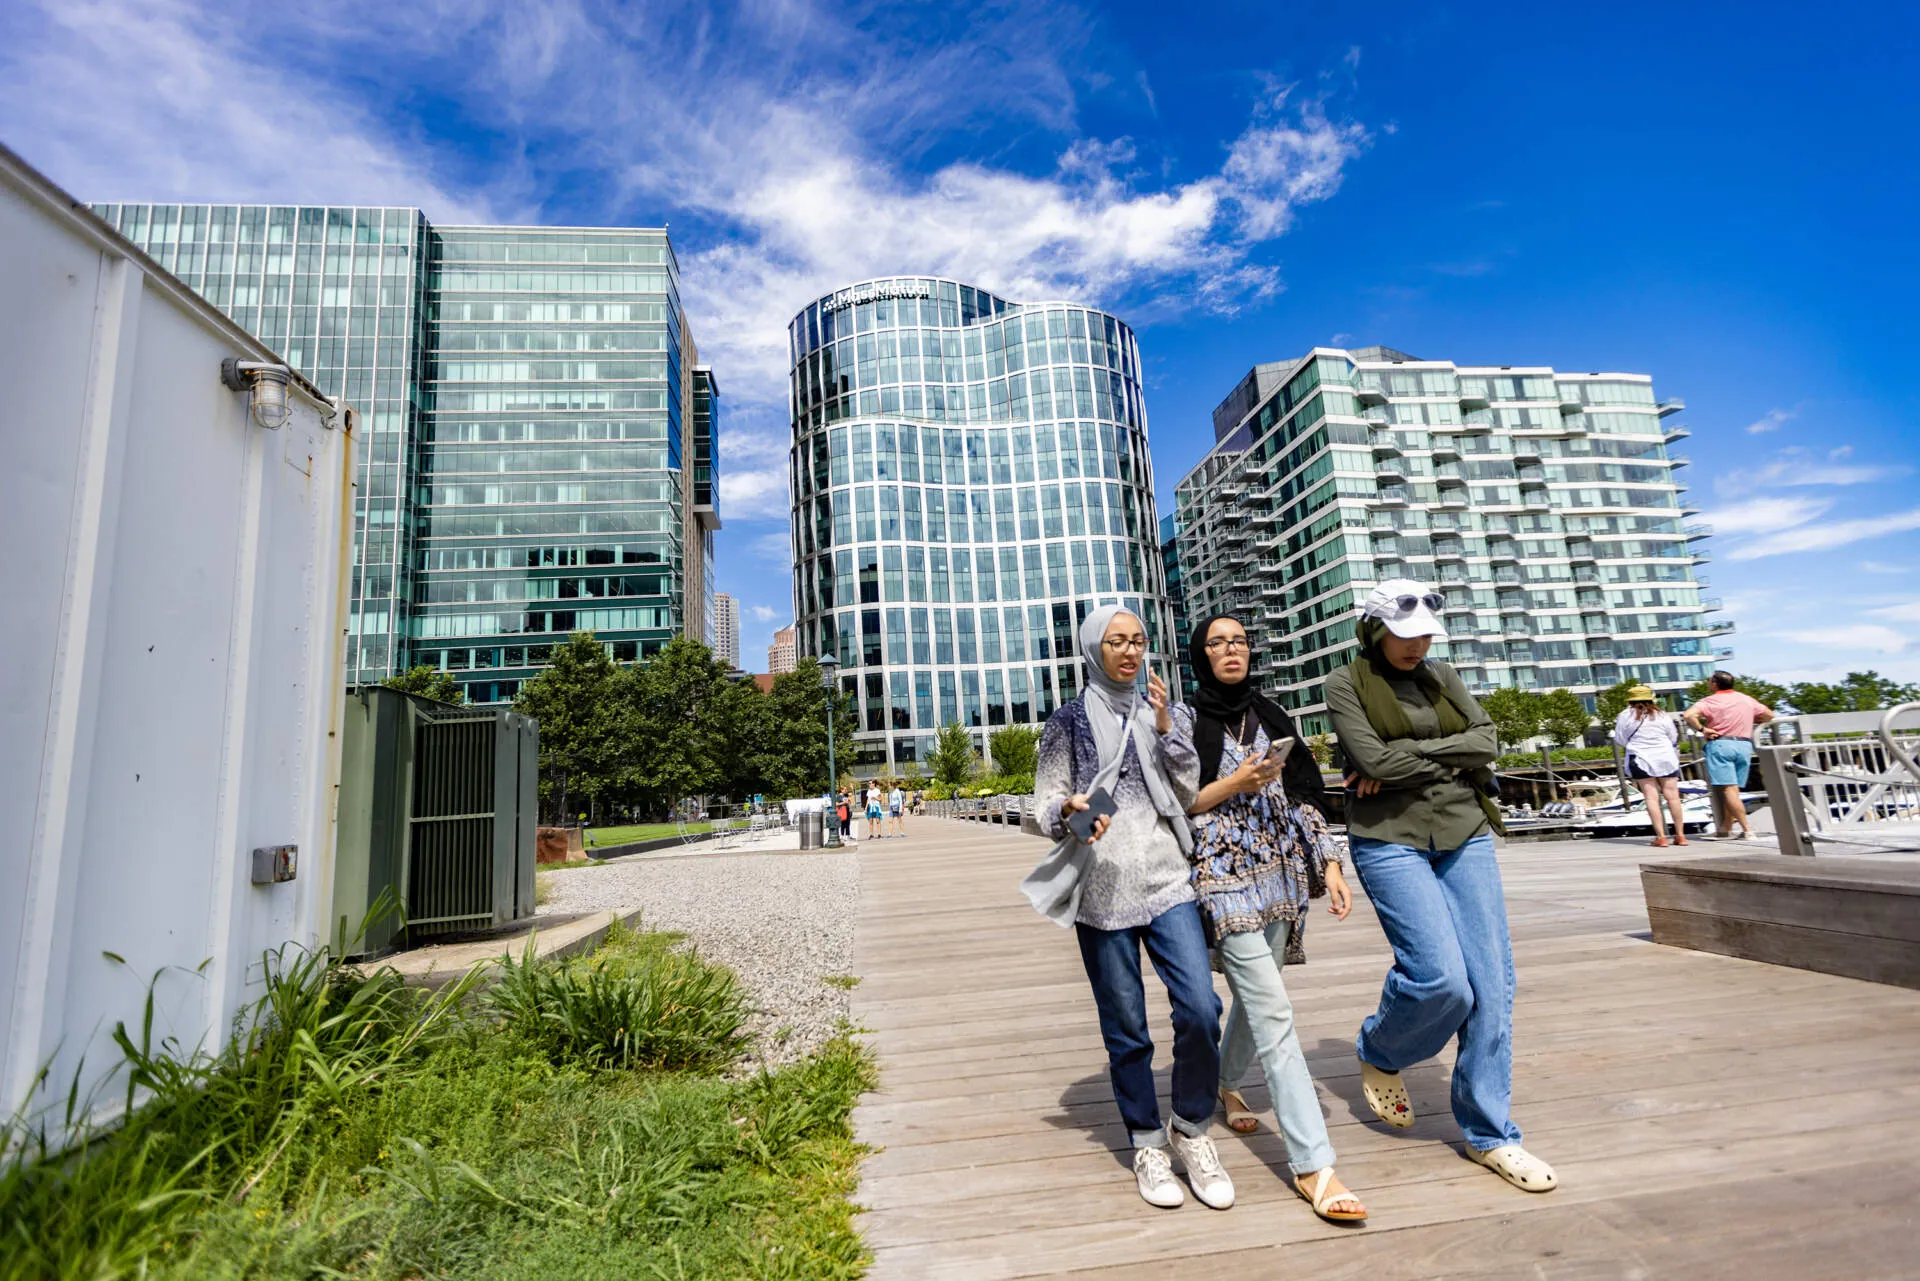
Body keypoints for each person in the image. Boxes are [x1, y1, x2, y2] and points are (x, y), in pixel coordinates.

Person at [1325, 579, 1557, 1194]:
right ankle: (1381, 1047)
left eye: (1425, 634)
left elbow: (1488, 741)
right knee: (1440, 979)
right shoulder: (1345, 684)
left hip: (1465, 829)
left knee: (1492, 985)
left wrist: (1411, 756)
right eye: (1404, 635)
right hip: (1388, 838)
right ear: (1374, 630)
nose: (1417, 645)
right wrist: (1448, 757)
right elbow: (1372, 764)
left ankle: (1491, 1135)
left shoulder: (1443, 673)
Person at [1028, 606, 1232, 1212]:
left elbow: (1188, 790)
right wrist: (1067, 812)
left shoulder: (1161, 712)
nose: (1129, 651)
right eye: (1117, 641)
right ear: (1093, 647)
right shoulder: (1066, 722)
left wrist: (1169, 727)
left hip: (1168, 879)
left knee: (1201, 1008)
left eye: (1138, 641)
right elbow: (1044, 806)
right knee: (1128, 1030)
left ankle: (1191, 1128)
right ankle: (1147, 1139)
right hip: (1102, 891)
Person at [1171, 613, 1367, 1223]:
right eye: (1218, 644)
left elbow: (1307, 793)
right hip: (1220, 878)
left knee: (1266, 998)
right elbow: (1178, 804)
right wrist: (1239, 780)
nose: (1232, 651)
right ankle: (1314, 1165)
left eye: (1239, 642)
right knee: (1276, 1013)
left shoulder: (1275, 716)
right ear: (1201, 655)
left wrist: (1330, 864)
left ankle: (1229, 1085)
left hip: (1281, 876)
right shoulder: (1183, 719)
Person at [1684, 671, 1774, 840]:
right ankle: (1725, 827)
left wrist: (1702, 729)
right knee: (1733, 790)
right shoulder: (1746, 699)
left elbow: (1689, 715)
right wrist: (1753, 721)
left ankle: (1747, 829)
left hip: (1721, 744)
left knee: (1728, 789)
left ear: (1715, 684)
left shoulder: (1710, 701)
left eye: (1710, 680)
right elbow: (1769, 714)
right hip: (1744, 745)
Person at [1612, 685, 1687, 847]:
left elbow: (1620, 738)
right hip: (1666, 757)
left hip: (1640, 757)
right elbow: (1673, 736)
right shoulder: (1662, 715)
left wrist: (1634, 744)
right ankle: (1680, 835)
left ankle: (1661, 837)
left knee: (1651, 797)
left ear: (1630, 700)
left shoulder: (1625, 715)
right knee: (1673, 797)